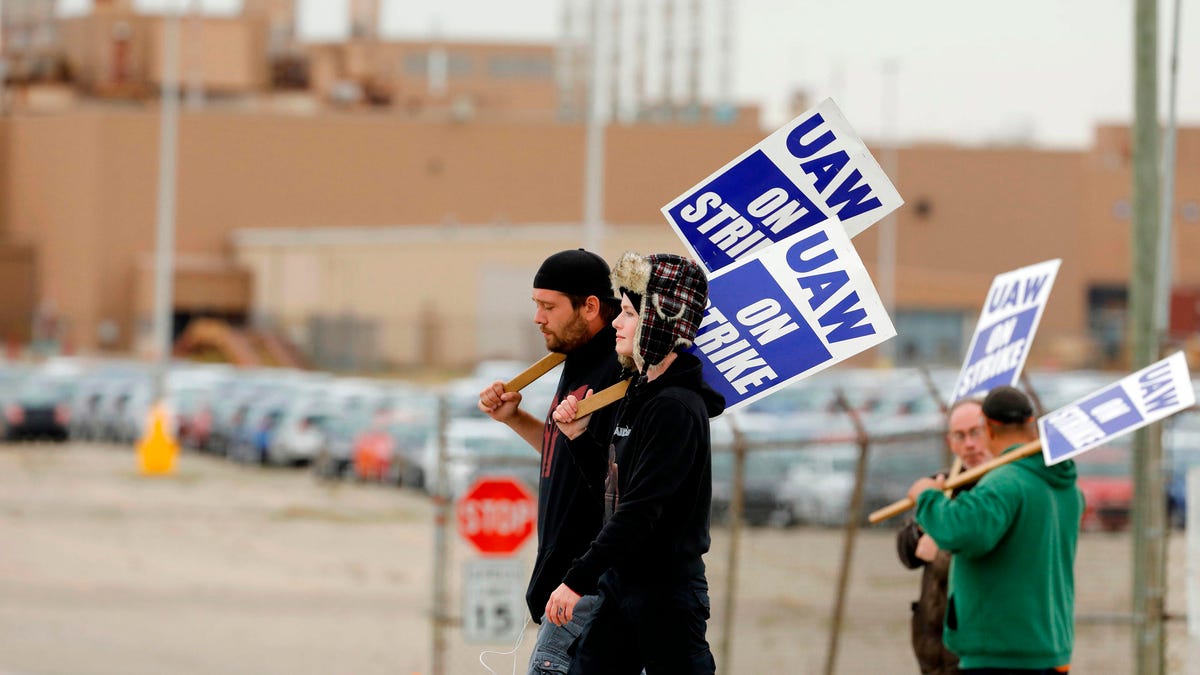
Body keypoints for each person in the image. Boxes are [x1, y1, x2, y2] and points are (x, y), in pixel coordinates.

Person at [547, 251, 723, 675]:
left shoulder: (675, 407)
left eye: (628, 312)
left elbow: (640, 511)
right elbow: (613, 489)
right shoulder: (639, 394)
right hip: (622, 584)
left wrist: (576, 580)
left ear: (658, 322)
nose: (616, 323)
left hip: (666, 595)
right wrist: (579, 438)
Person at [477, 249, 625, 675]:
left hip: (586, 591)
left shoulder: (615, 370)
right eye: (536, 305)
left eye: (549, 306)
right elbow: (569, 457)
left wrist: (578, 581)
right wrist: (514, 419)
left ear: (591, 306)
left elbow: (614, 479)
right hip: (564, 588)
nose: (538, 317)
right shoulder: (575, 358)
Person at [907, 386, 1082, 674]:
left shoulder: (1004, 482)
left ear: (988, 429)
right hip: (1050, 648)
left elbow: (960, 531)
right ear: (1030, 424)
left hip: (1002, 654)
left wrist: (927, 497)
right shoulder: (1065, 487)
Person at [895, 396, 993, 675]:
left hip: (974, 649)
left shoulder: (999, 490)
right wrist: (922, 529)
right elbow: (906, 551)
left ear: (992, 433)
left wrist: (939, 554)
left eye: (976, 432)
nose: (969, 444)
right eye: (960, 436)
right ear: (950, 442)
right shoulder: (944, 484)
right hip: (931, 647)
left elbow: (988, 565)